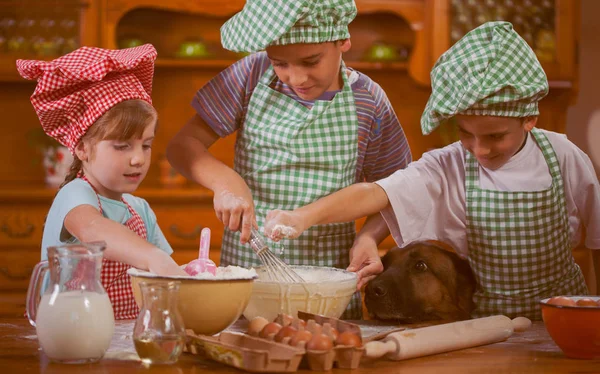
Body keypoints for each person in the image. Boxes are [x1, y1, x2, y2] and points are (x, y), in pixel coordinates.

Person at [263, 21, 600, 320]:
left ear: (529, 120)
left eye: (495, 136)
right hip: (488, 322)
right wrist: (301, 218)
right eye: (466, 134)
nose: (480, 150)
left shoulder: (563, 155)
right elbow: (375, 192)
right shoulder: (448, 164)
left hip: (561, 317)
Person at [166, 0, 412, 318]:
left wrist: (368, 236)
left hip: (327, 288)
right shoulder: (252, 74)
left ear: (342, 41)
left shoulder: (369, 101)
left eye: (311, 61)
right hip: (247, 277)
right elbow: (182, 145)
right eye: (280, 63)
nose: (296, 78)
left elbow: (395, 191)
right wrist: (225, 182)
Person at [17, 44, 187, 320]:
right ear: (83, 148)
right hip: (71, 332)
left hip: (126, 340)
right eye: (122, 146)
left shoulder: (140, 209)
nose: (138, 159)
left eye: (145, 145)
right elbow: (94, 229)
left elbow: (165, 274)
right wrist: (153, 258)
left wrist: (190, 274)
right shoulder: (75, 194)